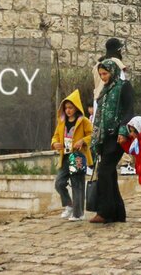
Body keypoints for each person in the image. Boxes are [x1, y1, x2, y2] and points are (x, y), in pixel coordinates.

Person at [89, 59, 134, 223]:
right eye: (100, 74)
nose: (103, 77)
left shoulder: (124, 86)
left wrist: (123, 131)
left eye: (105, 73)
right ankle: (117, 213)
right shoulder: (105, 90)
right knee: (109, 172)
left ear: (113, 71)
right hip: (105, 137)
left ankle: (105, 211)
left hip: (117, 136)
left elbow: (129, 110)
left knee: (104, 171)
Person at [92, 37, 134, 176]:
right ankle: (125, 163)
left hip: (98, 100)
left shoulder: (97, 64)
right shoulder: (115, 63)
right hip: (113, 103)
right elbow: (120, 81)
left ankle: (97, 163)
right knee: (117, 134)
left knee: (101, 137)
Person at [51, 89, 92, 221]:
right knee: (59, 183)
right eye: (66, 108)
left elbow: (93, 135)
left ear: (76, 107)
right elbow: (55, 136)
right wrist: (55, 143)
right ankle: (69, 204)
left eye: (70, 107)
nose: (68, 110)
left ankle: (78, 213)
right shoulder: (61, 121)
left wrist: (83, 141)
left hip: (78, 156)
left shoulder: (84, 121)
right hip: (65, 157)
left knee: (77, 184)